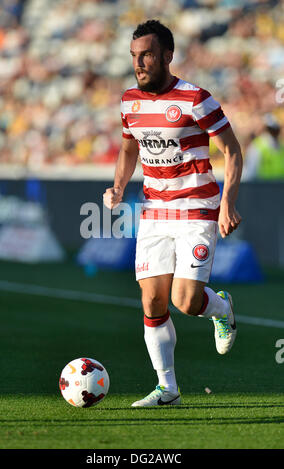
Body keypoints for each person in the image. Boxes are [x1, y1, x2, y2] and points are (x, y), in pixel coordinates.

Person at [103, 20, 242, 407]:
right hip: (154, 213)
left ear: (167, 55)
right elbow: (128, 148)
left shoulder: (196, 99)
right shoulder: (129, 101)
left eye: (146, 54)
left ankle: (221, 306)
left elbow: (232, 150)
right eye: (134, 56)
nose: (139, 63)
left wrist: (227, 201)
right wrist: (118, 185)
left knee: (185, 301)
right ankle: (168, 389)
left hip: (197, 210)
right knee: (152, 302)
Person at [243, 114, 284, 181]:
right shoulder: (257, 146)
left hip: (279, 188)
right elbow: (250, 172)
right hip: (263, 188)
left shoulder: (281, 145)